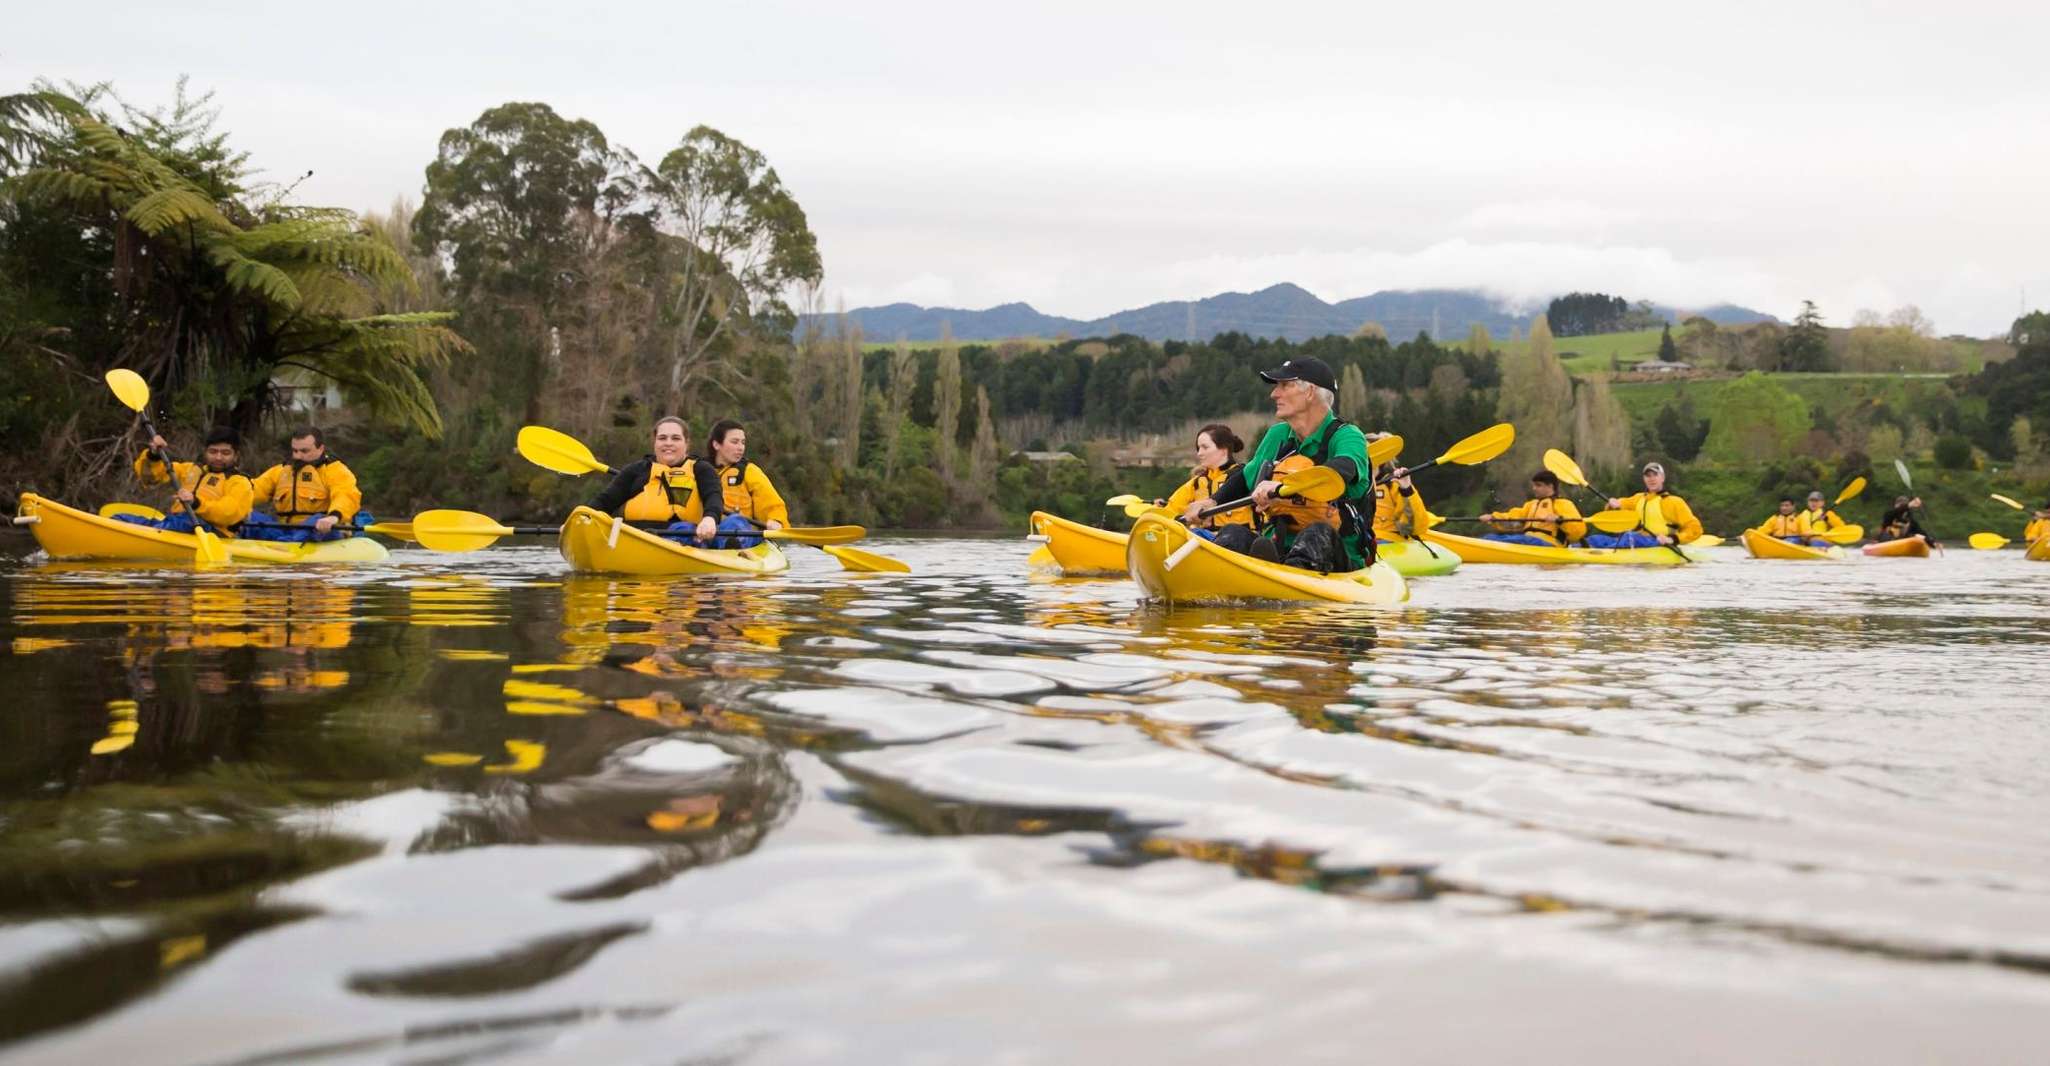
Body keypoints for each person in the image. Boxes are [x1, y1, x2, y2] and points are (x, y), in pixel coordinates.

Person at [1179, 357, 1374, 572]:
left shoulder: (1347, 436)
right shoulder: (1277, 435)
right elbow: (1245, 478)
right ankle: (1222, 578)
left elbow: (1343, 468)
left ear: (1309, 392)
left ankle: (1288, 583)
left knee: (1318, 532)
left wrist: (1281, 487)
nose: (1274, 394)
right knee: (1233, 533)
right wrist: (1212, 501)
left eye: (1284, 386)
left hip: (1338, 553)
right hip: (1279, 544)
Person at [587, 416, 735, 546]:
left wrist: (709, 519)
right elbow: (605, 501)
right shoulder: (636, 470)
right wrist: (580, 519)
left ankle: (730, 544)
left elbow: (713, 497)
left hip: (686, 537)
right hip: (634, 537)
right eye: (662, 438)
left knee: (734, 522)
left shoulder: (701, 469)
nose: (668, 443)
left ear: (687, 443)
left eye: (675, 438)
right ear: (655, 443)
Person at [120, 428, 254, 536]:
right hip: (176, 524)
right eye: (213, 452)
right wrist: (153, 455)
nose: (218, 457)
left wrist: (196, 503)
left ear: (235, 456)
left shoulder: (240, 482)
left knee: (184, 522)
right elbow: (150, 479)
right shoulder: (190, 469)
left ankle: (152, 534)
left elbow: (228, 513)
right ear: (205, 452)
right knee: (120, 518)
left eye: (225, 453)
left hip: (212, 532)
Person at [242, 427, 366, 542]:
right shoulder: (280, 471)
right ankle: (284, 542)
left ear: (321, 449)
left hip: (321, 529)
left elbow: (346, 495)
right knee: (247, 515)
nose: (298, 456)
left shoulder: (335, 470)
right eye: (295, 450)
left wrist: (333, 517)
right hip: (283, 531)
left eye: (304, 451)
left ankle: (287, 545)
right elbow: (251, 490)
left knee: (316, 519)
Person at [1159, 423, 1250, 534]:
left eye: (1205, 447)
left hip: (1239, 541)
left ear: (1223, 449)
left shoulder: (1245, 475)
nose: (1199, 453)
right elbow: (1170, 511)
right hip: (1204, 540)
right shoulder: (1196, 483)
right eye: (1198, 448)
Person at [706, 420, 789, 541]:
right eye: (734, 442)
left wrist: (776, 520)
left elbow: (772, 504)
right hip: (707, 533)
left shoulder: (750, 471)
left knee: (733, 522)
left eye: (743, 443)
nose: (740, 448)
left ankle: (732, 544)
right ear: (716, 444)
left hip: (744, 536)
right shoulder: (699, 469)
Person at [1588, 461, 1703, 549]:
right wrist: (1612, 504)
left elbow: (1695, 528)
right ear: (1644, 479)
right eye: (1648, 476)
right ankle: (1578, 548)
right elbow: (1619, 508)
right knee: (1595, 539)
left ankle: (1603, 554)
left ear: (1662, 478)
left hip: (1658, 543)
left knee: (1630, 537)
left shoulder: (1674, 502)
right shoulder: (1638, 498)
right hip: (1636, 541)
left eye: (1655, 475)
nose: (1651, 479)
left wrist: (1672, 539)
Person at [1482, 470, 1588, 546]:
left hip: (1550, 543)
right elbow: (1514, 517)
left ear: (1550, 486)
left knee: (1516, 540)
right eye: (1534, 485)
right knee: (1489, 538)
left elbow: (1579, 530)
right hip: (1529, 540)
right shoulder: (1531, 505)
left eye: (1538, 485)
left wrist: (1559, 520)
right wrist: (1493, 517)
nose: (1534, 488)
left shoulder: (1562, 504)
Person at [1370, 458, 1430, 542]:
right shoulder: (1347, 486)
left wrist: (1406, 490)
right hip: (1359, 544)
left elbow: (1415, 528)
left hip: (1389, 542)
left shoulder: (1394, 483)